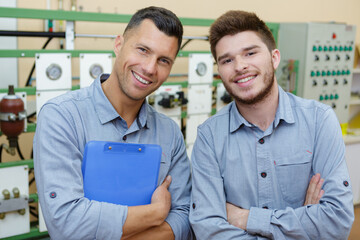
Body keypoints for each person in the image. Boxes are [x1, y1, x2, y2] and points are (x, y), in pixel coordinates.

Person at [189, 10, 354, 239]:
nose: (239, 66)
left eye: (250, 53)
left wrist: (244, 218)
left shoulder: (319, 120)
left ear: (274, 58)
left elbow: (336, 222)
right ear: (219, 71)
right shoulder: (209, 137)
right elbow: (209, 229)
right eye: (227, 60)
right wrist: (302, 222)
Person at [34, 6, 193, 240]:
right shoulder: (62, 117)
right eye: (142, 50)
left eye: (164, 60)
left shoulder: (169, 133)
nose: (149, 68)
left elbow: (185, 217)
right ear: (119, 44)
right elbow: (66, 223)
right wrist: (156, 212)